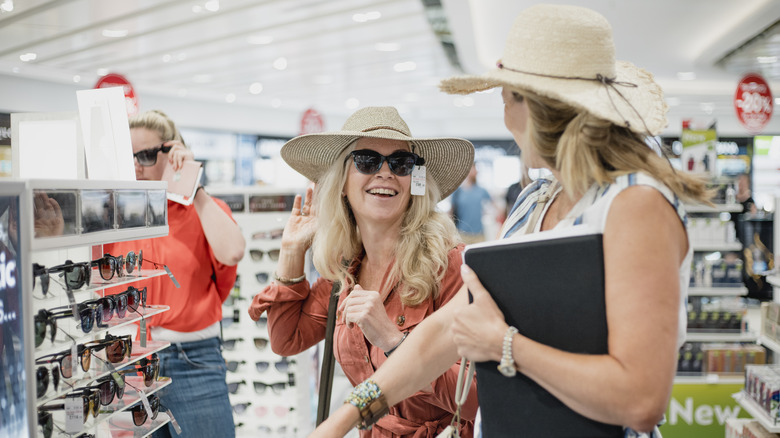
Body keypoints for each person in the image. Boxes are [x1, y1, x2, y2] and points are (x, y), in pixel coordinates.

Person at [311, 4, 712, 437]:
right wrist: (349, 415)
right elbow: (446, 328)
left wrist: (506, 346)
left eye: (507, 96)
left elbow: (640, 400)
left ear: (538, 108)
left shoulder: (635, 205)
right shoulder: (537, 201)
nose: (504, 114)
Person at [247, 106, 478, 437]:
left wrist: (394, 342)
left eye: (400, 163)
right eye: (367, 161)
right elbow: (287, 340)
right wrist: (291, 251)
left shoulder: (448, 265)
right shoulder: (344, 271)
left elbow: (475, 399)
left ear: (414, 181)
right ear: (342, 182)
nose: (385, 173)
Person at [104, 110, 245, 438]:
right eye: (129, 157)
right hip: (127, 364)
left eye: (147, 155)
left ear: (173, 152)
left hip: (192, 359)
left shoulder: (199, 208)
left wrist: (191, 185)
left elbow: (233, 252)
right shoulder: (111, 216)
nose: (137, 165)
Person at [449, 164, 493, 244]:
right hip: (462, 234)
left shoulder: (481, 190)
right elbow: (451, 212)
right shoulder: (457, 192)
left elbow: (493, 204)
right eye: (473, 169)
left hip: (479, 234)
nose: (475, 171)